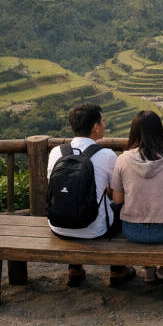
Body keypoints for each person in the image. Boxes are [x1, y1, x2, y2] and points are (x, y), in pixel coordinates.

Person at [46, 102, 134, 287]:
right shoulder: (107, 155)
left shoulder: (56, 152)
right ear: (95, 127)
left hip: (58, 225)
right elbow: (118, 192)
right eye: (102, 121)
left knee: (75, 201)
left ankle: (74, 269)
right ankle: (118, 270)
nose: (104, 125)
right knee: (117, 208)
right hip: (94, 230)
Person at [110, 110, 163, 283]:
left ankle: (148, 270)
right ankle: (162, 267)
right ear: (159, 132)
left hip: (132, 231)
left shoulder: (122, 160)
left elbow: (117, 200)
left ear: (133, 132)